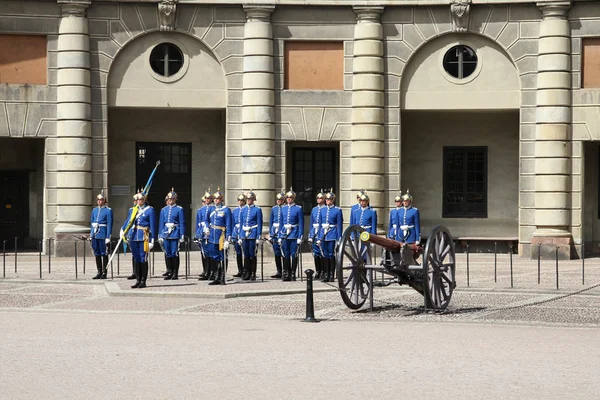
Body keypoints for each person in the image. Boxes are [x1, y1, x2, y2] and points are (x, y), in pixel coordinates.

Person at [121, 190, 156, 289]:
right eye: (137, 199)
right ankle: (137, 279)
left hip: (143, 236)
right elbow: (128, 221)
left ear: (144, 200)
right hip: (133, 236)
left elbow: (153, 226)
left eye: (140, 199)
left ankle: (143, 281)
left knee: (143, 258)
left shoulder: (149, 210)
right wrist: (122, 230)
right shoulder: (133, 210)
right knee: (136, 258)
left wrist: (152, 240)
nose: (138, 201)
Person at [204, 187, 232, 285]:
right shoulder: (211, 209)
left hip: (221, 236)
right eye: (215, 199)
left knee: (223, 257)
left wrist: (228, 239)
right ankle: (216, 276)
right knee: (214, 257)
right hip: (212, 236)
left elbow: (229, 224)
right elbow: (206, 220)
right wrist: (207, 227)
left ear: (221, 200)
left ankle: (223, 277)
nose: (216, 200)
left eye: (218, 199)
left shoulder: (226, 210)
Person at [158, 188, 186, 280]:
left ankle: (175, 272)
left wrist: (182, 235)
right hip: (166, 233)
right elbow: (161, 223)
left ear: (175, 199)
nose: (170, 201)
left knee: (174, 253)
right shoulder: (164, 210)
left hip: (175, 232)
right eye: (169, 199)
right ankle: (169, 271)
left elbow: (182, 223)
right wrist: (160, 234)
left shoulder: (179, 209)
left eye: (172, 199)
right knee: (168, 253)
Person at [318, 189, 343, 282]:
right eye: (326, 199)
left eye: (329, 199)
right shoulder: (322, 210)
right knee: (324, 254)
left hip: (332, 234)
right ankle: (326, 273)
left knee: (331, 254)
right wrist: (319, 237)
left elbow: (339, 225)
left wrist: (339, 238)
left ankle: (331, 274)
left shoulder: (337, 210)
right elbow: (320, 224)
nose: (327, 201)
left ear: (333, 200)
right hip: (323, 234)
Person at [279, 187, 303, 281]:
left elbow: (301, 223)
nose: (289, 199)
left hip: (294, 233)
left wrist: (300, 236)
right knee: (286, 254)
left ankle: (293, 273)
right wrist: (280, 236)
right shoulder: (283, 208)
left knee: (294, 254)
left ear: (293, 199)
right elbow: (281, 223)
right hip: (285, 233)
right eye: (288, 198)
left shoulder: (298, 208)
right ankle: (286, 272)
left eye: (291, 198)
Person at [239, 190, 263, 281]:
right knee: (246, 254)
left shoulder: (257, 210)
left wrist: (258, 236)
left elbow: (259, 223)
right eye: (248, 199)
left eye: (250, 199)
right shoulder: (243, 209)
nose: (249, 200)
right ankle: (246, 272)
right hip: (244, 234)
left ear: (253, 200)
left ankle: (253, 272)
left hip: (253, 233)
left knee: (252, 254)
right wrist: (240, 236)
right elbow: (241, 223)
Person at [89, 190, 113, 280]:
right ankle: (99, 271)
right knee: (97, 253)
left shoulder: (108, 211)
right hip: (95, 234)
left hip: (103, 234)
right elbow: (92, 223)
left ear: (104, 201)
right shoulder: (94, 210)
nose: (99, 201)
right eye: (98, 200)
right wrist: (91, 235)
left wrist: (108, 236)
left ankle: (104, 272)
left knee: (104, 253)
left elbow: (109, 224)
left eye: (101, 200)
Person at [195, 190, 213, 280]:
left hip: (210, 233)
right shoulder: (200, 210)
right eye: (206, 198)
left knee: (211, 253)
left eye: (209, 198)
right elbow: (198, 223)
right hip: (202, 233)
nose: (207, 200)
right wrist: (197, 235)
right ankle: (206, 271)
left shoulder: (213, 209)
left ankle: (211, 272)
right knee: (204, 253)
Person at [307, 189, 325, 279]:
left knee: (322, 252)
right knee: (315, 253)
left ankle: (323, 270)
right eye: (317, 198)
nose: (319, 199)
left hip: (322, 232)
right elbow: (311, 223)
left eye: (321, 198)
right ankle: (318, 270)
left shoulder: (325, 209)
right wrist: (310, 234)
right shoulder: (314, 209)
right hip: (314, 232)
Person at [268, 189, 286, 279]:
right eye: (278, 200)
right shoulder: (274, 209)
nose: (279, 201)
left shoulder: (285, 208)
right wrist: (270, 233)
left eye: (280, 200)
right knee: (277, 252)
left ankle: (285, 270)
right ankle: (279, 270)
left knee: (284, 252)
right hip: (275, 232)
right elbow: (271, 221)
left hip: (282, 232)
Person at [231, 193, 247, 278]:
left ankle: (245, 270)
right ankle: (240, 270)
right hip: (236, 232)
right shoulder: (235, 211)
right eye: (239, 200)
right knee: (238, 252)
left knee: (245, 252)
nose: (240, 202)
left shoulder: (246, 210)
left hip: (244, 232)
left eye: (242, 200)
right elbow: (233, 222)